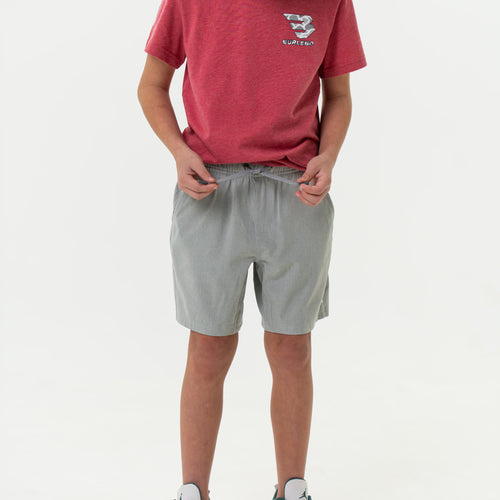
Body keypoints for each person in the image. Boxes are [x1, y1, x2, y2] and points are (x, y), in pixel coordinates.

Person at [137, 1, 367, 499]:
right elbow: (152, 84)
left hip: (296, 191)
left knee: (292, 347)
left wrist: (328, 155)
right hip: (210, 190)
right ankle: (193, 490)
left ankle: (293, 488)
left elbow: (339, 93)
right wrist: (179, 152)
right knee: (208, 346)